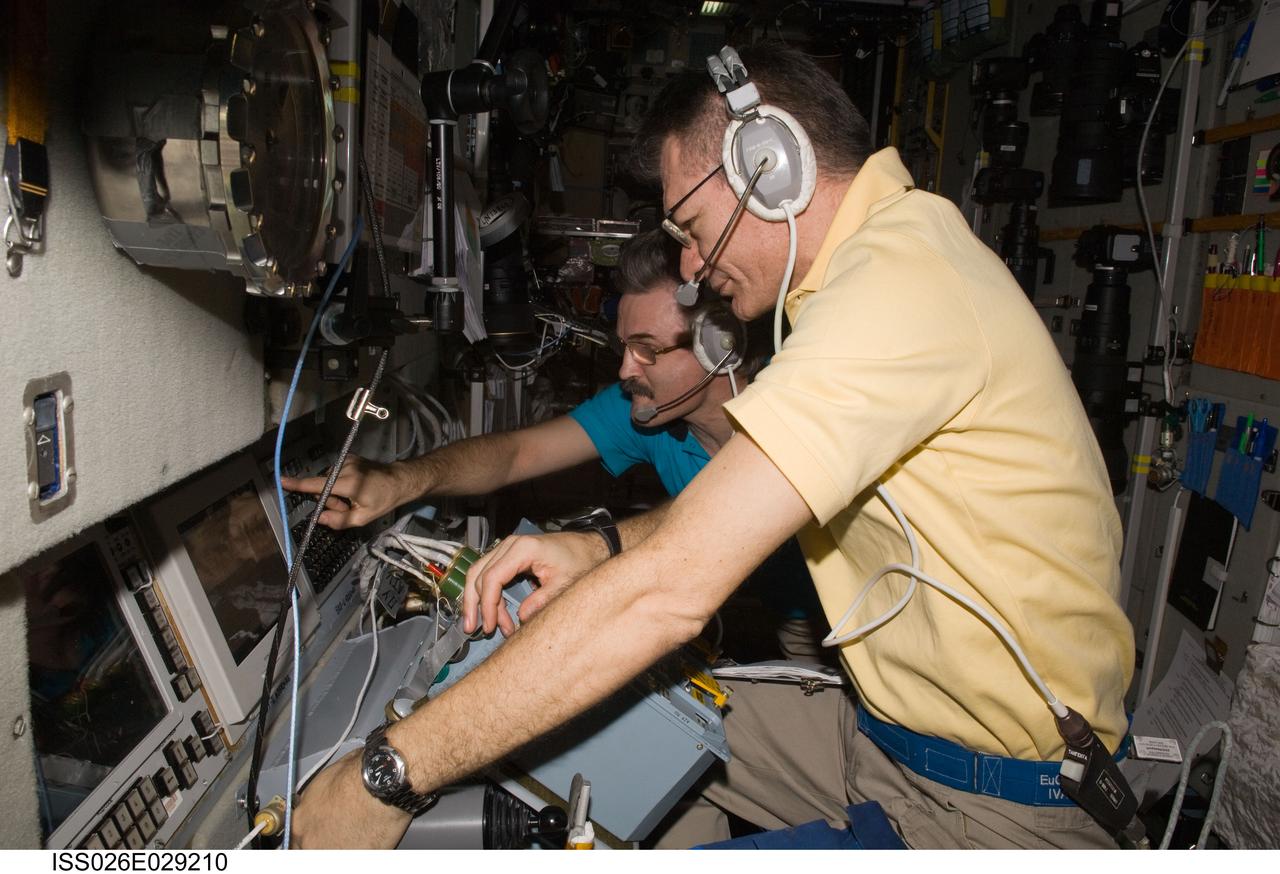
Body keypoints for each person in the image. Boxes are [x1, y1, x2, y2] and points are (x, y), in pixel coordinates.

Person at [293, 42, 1134, 850]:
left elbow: (665, 597)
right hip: (878, 732)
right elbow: (711, 517)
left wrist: (386, 776)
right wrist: (600, 545)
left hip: (993, 805)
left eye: (691, 227)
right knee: (586, 715)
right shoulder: (871, 273)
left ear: (772, 166)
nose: (691, 268)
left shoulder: (901, 291)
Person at [282, 229, 817, 644]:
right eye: (625, 345)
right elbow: (518, 453)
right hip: (772, 607)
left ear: (718, 348)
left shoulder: (800, 405)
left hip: (838, 613)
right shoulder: (646, 410)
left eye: (649, 348)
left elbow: (722, 517)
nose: (627, 368)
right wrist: (402, 479)